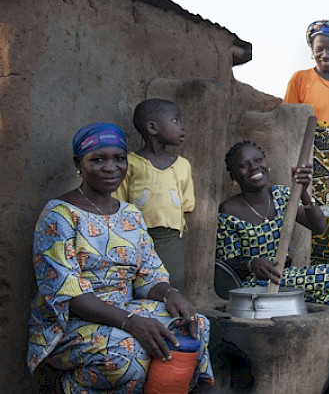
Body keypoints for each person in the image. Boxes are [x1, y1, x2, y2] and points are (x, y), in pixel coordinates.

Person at [27, 123, 212, 392]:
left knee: (194, 327)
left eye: (119, 158)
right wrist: (131, 322)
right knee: (129, 356)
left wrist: (170, 293)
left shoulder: (130, 214)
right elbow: (68, 294)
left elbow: (149, 275)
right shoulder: (59, 215)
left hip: (127, 311)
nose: (111, 167)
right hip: (73, 321)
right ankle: (74, 387)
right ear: (79, 163)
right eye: (98, 159)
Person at [216, 141, 329, 392]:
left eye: (257, 160)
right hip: (257, 286)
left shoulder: (281, 196)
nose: (253, 168)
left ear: (266, 162)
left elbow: (320, 227)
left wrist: (302, 191)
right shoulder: (229, 209)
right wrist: (251, 263)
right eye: (244, 166)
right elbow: (226, 263)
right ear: (234, 176)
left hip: (287, 276)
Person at [283, 18, 329, 267]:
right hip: (309, 166)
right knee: (305, 224)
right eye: (319, 49)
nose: (325, 54)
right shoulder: (301, 79)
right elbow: (290, 121)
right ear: (312, 51)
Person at [113, 99, 194, 291]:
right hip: (137, 236)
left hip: (172, 238)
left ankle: (173, 320)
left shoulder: (183, 165)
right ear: (152, 127)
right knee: (141, 284)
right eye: (176, 121)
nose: (182, 126)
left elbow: (187, 205)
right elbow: (119, 202)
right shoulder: (131, 162)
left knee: (172, 284)